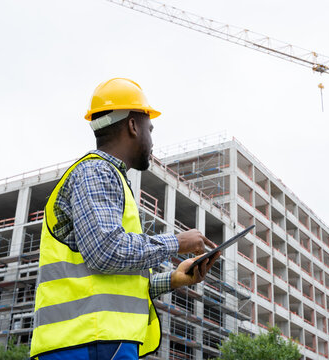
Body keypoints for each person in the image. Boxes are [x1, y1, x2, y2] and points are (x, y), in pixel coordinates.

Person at [30, 78, 220, 360]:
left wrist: (174, 280)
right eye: (150, 129)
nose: (152, 139)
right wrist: (177, 241)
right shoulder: (96, 172)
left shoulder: (108, 177)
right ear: (133, 125)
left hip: (93, 341)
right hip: (89, 343)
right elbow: (107, 252)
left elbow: (108, 280)